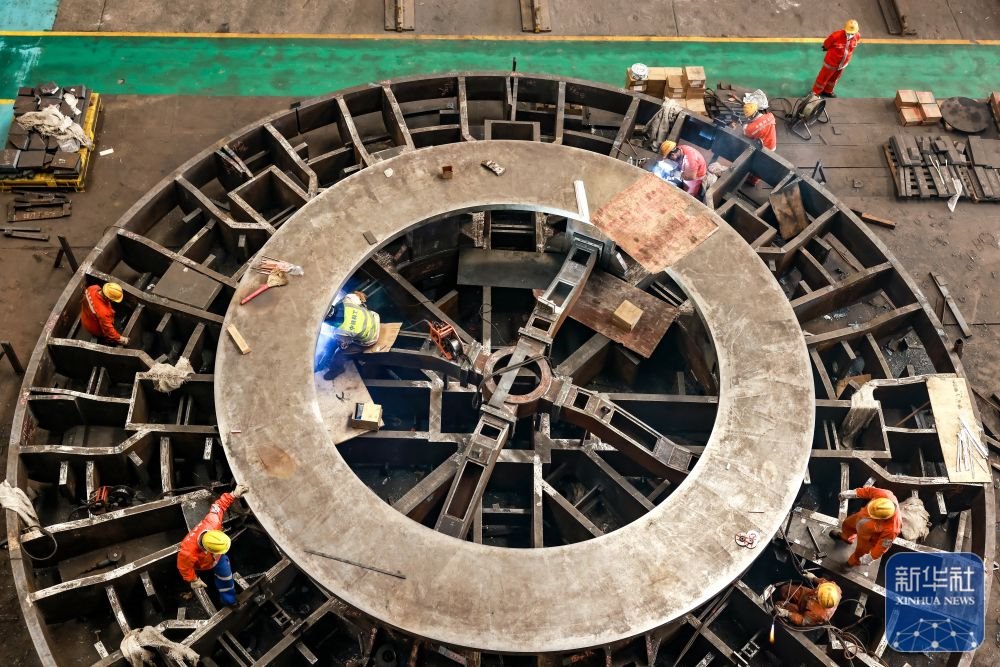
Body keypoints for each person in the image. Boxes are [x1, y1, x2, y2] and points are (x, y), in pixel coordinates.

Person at [177, 484, 249, 605]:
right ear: (209, 550)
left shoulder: (213, 521)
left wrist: (234, 494)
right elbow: (184, 567)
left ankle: (229, 600)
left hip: (216, 560)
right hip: (203, 564)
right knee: (212, 577)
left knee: (226, 579)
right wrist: (193, 579)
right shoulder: (188, 552)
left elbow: (219, 505)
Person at [831, 486, 900, 567]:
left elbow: (883, 546)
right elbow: (868, 491)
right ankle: (846, 537)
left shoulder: (892, 529)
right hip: (860, 518)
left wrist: (871, 557)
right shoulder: (884, 494)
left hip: (869, 537)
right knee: (847, 525)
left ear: (883, 518)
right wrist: (852, 493)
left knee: (861, 552)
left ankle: (852, 563)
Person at [813, 20, 861, 99]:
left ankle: (828, 91)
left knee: (834, 79)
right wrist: (826, 47)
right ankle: (815, 93)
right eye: (848, 33)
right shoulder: (835, 36)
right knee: (822, 79)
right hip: (831, 63)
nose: (850, 35)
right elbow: (827, 44)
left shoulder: (857, 36)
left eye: (852, 33)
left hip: (842, 65)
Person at [774, 573, 842, 626]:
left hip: (803, 610)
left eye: (817, 597)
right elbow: (824, 582)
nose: (816, 593)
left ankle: (786, 607)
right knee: (784, 590)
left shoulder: (819, 615)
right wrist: (814, 578)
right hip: (807, 595)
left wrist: (787, 613)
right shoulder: (833, 588)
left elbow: (803, 620)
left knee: (778, 604)